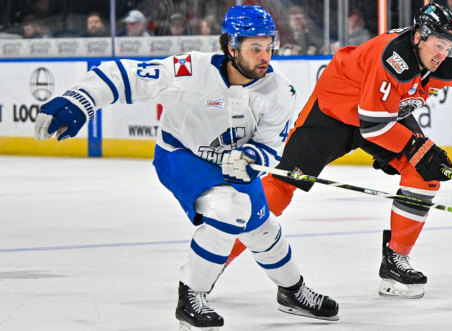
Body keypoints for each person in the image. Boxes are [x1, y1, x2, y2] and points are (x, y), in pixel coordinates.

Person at [32, 4, 339, 330]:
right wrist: (82, 98)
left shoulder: (279, 91)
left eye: (269, 47)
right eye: (255, 48)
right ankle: (191, 296)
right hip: (182, 155)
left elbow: (268, 146)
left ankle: (291, 291)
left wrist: (249, 159)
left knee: (263, 228)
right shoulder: (190, 69)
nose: (265, 56)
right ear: (231, 47)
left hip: (231, 168)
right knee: (230, 209)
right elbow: (124, 75)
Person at [224, 3, 452, 299]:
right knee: (283, 184)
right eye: (438, 45)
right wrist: (415, 146)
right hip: (333, 112)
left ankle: (395, 260)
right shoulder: (394, 59)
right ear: (419, 37)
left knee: (423, 172)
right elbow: (374, 128)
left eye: (450, 46)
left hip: (384, 114)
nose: (443, 54)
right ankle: (216, 257)